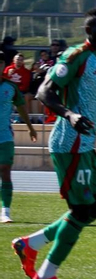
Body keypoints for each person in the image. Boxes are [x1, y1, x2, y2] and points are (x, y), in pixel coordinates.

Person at [11, 8, 96, 279]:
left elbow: (92, 110)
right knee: (80, 210)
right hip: (68, 144)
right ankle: (45, 275)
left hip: (87, 146)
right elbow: (44, 92)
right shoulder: (75, 56)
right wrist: (69, 115)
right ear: (90, 32)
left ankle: (29, 244)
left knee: (95, 209)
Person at [1, 70, 39, 224]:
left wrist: (30, 127)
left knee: (5, 170)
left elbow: (21, 107)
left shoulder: (10, 87)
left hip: (5, 136)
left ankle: (5, 211)